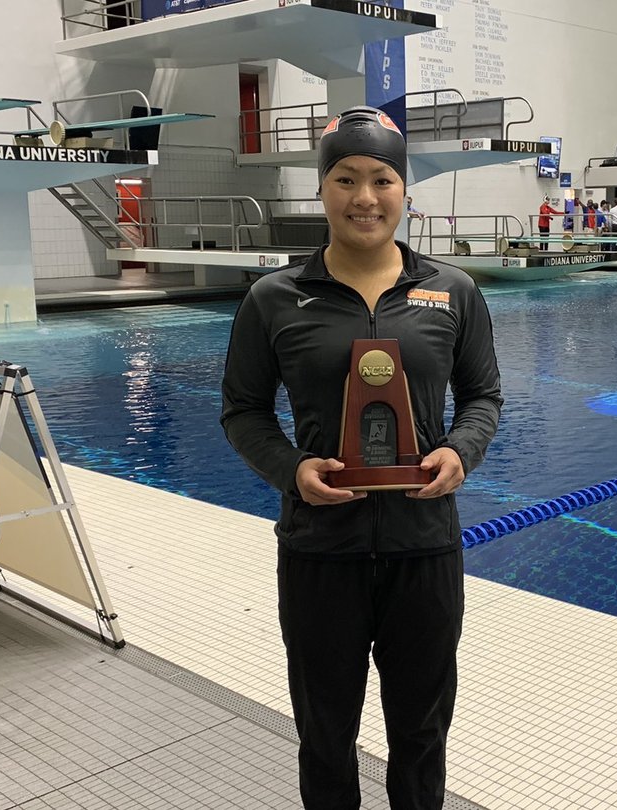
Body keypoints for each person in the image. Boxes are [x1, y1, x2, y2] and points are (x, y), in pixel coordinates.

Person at [221, 105, 502, 810]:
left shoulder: (453, 292)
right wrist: (292, 471)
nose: (365, 198)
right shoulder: (274, 298)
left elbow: (484, 396)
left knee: (421, 733)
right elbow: (243, 411)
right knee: (325, 735)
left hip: (423, 549)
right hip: (321, 550)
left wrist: (461, 452)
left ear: (405, 190)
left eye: (381, 179)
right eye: (345, 179)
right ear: (323, 191)